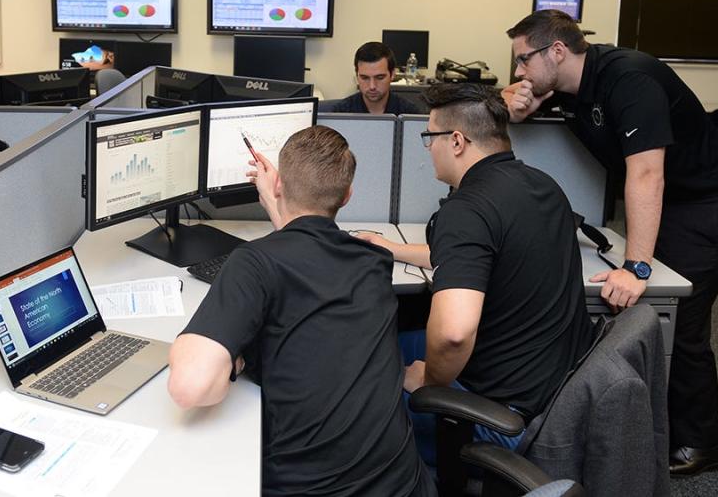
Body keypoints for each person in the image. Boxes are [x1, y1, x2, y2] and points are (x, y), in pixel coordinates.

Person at [503, 9, 718, 476]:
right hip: (662, 204)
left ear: (557, 51)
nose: (518, 71)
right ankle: (648, 428)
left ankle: (703, 442)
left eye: (522, 60)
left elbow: (647, 172)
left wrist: (636, 267)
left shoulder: (629, 79)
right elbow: (511, 100)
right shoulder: (569, 84)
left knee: (684, 320)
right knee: (649, 319)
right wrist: (513, 99)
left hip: (706, 205)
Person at [167, 125, 435, 496]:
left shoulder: (254, 262)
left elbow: (189, 388)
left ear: (279, 187)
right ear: (347, 196)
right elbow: (308, 246)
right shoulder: (373, 260)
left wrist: (238, 361)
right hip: (404, 485)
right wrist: (280, 205)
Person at [359, 83, 594, 452]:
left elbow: (454, 334)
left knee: (359, 394)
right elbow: (478, 253)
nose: (428, 149)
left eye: (429, 137)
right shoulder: (543, 185)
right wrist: (393, 249)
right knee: (381, 346)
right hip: (553, 388)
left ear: (456, 141)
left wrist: (429, 382)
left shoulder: (466, 209)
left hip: (500, 415)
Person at [326, 41, 420, 114]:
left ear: (392, 74)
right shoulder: (340, 113)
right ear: (357, 75)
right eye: (365, 78)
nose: (372, 86)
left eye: (380, 77)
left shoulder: (410, 114)